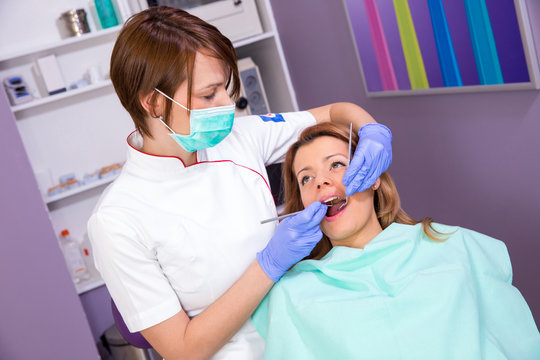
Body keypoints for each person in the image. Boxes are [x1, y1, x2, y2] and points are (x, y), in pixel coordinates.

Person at [87, 6, 393, 360]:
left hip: (310, 336)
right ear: (154, 102)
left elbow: (334, 113)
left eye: (226, 88)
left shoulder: (236, 138)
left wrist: (371, 130)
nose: (228, 105)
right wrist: (268, 265)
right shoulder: (117, 220)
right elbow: (183, 350)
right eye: (208, 95)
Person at [252, 122, 540, 359]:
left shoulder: (455, 246)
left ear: (372, 175)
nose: (321, 182)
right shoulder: (294, 295)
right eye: (306, 179)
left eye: (337, 165)